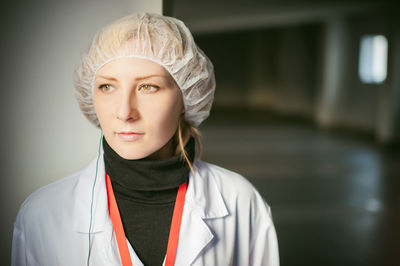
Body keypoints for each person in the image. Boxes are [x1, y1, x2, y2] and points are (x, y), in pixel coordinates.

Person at [11, 13, 279, 266]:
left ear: (187, 96)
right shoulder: (42, 214)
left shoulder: (240, 202)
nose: (125, 112)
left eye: (148, 86)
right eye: (107, 86)